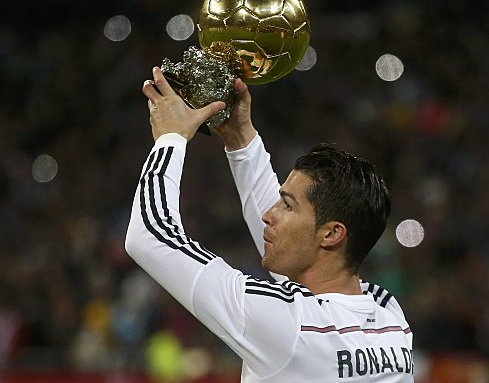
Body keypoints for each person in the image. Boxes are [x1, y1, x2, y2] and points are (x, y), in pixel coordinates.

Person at [126, 67, 413, 381]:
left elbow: (149, 237)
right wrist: (241, 139)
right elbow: (299, 243)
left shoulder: (291, 326)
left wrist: (171, 138)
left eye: (287, 205)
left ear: (332, 234)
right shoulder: (389, 318)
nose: (268, 215)